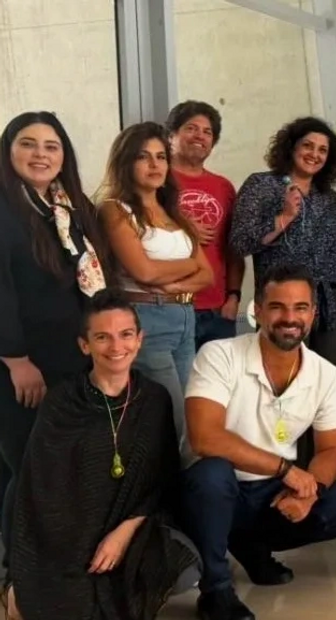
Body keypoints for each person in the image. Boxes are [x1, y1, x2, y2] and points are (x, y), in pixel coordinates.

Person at [179, 264, 336, 620]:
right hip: (217, 488)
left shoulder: (324, 374)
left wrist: (310, 491)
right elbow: (205, 438)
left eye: (300, 308)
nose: (289, 318)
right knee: (213, 475)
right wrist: (286, 469)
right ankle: (215, 590)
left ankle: (250, 545)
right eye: (278, 307)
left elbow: (331, 450)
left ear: (313, 314)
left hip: (269, 491)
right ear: (259, 310)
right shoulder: (219, 355)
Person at [3, 289, 200, 620]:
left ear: (140, 339)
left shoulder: (155, 400)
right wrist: (85, 545)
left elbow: (160, 481)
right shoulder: (62, 403)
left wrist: (123, 534)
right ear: (85, 345)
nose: (116, 347)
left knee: (184, 569)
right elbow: (43, 490)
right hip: (66, 535)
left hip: (130, 526)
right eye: (103, 337)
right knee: (67, 600)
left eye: (125, 335)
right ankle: (15, 595)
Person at [1, 111, 111, 564]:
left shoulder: (69, 207)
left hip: (71, 360)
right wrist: (15, 359)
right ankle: (18, 576)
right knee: (28, 469)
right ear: (9, 151)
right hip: (23, 365)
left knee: (60, 468)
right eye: (29, 144)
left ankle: (51, 566)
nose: (40, 154)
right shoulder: (5, 207)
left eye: (52, 146)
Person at [97, 121, 214, 448]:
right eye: (143, 157)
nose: (154, 165)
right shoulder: (115, 210)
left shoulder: (173, 213)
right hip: (147, 319)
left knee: (193, 416)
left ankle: (183, 492)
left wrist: (175, 284)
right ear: (126, 162)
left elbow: (208, 275)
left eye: (161, 157)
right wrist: (188, 266)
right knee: (170, 419)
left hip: (184, 318)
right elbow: (144, 271)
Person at [230, 116, 336, 366]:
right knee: (281, 375)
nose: (314, 154)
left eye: (323, 150)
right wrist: (284, 218)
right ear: (292, 147)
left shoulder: (330, 198)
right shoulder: (261, 185)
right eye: (308, 146)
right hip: (281, 301)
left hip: (331, 300)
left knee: (322, 378)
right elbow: (240, 242)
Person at [167, 100, 245, 349]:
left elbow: (233, 248)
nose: (200, 135)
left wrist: (234, 297)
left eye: (207, 131)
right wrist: (182, 231)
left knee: (217, 387)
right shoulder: (157, 181)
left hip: (217, 311)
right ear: (172, 135)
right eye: (191, 128)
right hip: (169, 307)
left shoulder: (223, 187)